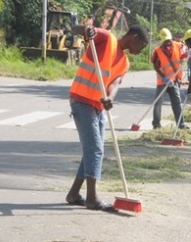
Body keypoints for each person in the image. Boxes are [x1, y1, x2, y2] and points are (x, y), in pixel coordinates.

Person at [66, 25, 148, 211]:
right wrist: (87, 31)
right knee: (94, 149)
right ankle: (92, 198)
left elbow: (116, 83)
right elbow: (78, 28)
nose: (140, 51)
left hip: (97, 105)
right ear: (133, 37)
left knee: (93, 149)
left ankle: (73, 194)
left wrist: (110, 98)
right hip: (81, 99)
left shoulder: (125, 62)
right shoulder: (106, 38)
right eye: (141, 46)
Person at [151, 28, 188, 129]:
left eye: (168, 39)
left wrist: (187, 55)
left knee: (177, 102)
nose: (167, 42)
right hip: (163, 81)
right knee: (158, 103)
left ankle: (181, 124)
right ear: (162, 40)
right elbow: (155, 66)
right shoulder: (157, 51)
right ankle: (156, 124)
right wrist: (165, 78)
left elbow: (183, 55)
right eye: (165, 40)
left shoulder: (178, 45)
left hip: (174, 80)